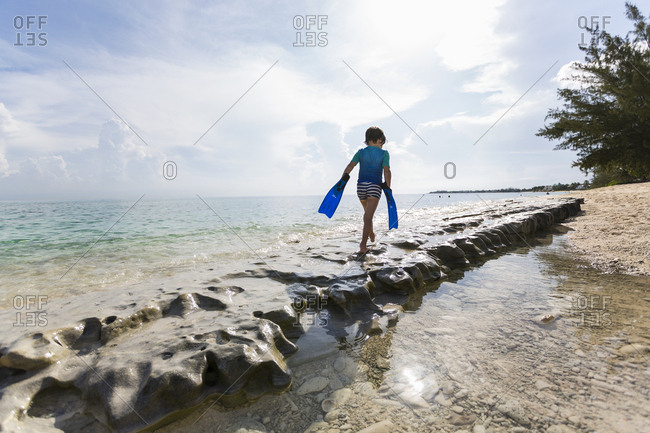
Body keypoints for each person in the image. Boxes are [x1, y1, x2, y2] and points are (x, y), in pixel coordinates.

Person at [341, 126, 392, 254]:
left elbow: (350, 166)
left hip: (361, 187)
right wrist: (388, 187)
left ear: (367, 140)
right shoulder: (384, 154)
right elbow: (387, 171)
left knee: (367, 214)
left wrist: (343, 179)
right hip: (374, 186)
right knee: (368, 216)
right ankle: (363, 245)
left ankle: (372, 233)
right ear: (380, 140)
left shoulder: (360, 152)